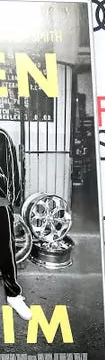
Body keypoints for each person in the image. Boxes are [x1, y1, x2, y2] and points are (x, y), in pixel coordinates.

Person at [0, 127, 32, 321]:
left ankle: (13, 295)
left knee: (6, 250)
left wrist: (11, 200)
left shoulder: (1, 137)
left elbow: (12, 172)